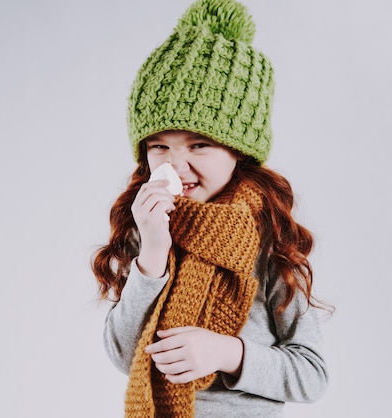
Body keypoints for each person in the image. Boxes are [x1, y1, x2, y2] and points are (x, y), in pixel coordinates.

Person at [92, 0, 330, 416]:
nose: (174, 165)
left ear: (239, 151)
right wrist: (151, 253)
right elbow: (123, 357)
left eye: (199, 145)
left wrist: (228, 353)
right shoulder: (148, 224)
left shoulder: (268, 237)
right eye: (158, 146)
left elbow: (310, 374)